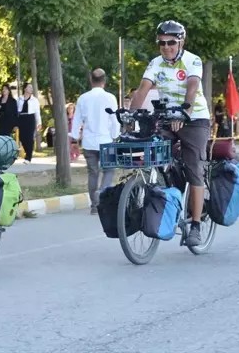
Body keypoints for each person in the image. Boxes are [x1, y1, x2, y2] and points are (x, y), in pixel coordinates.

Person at [128, 20, 211, 247]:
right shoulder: (155, 63)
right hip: (166, 117)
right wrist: (129, 116)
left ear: (181, 42)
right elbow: (142, 90)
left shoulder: (192, 60)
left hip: (194, 119)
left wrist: (183, 114)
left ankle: (195, 225)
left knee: (194, 168)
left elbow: (192, 87)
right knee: (151, 148)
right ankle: (165, 186)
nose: (166, 47)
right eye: (162, 43)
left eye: (171, 42)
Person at [69, 69, 120, 215]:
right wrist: (115, 136)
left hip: (89, 142)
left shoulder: (83, 98)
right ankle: (102, 193)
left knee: (93, 173)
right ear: (104, 81)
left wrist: (74, 139)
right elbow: (115, 120)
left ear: (91, 80)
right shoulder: (110, 98)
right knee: (109, 170)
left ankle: (94, 205)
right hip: (106, 141)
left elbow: (77, 120)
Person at [16, 82, 42, 164]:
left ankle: (28, 157)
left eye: (32, 87)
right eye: (29, 87)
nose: (31, 89)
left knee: (30, 137)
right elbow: (16, 111)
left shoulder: (34, 100)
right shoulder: (19, 99)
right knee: (22, 137)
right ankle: (29, 152)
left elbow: (37, 112)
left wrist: (39, 123)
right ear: (25, 89)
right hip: (21, 118)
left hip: (30, 118)